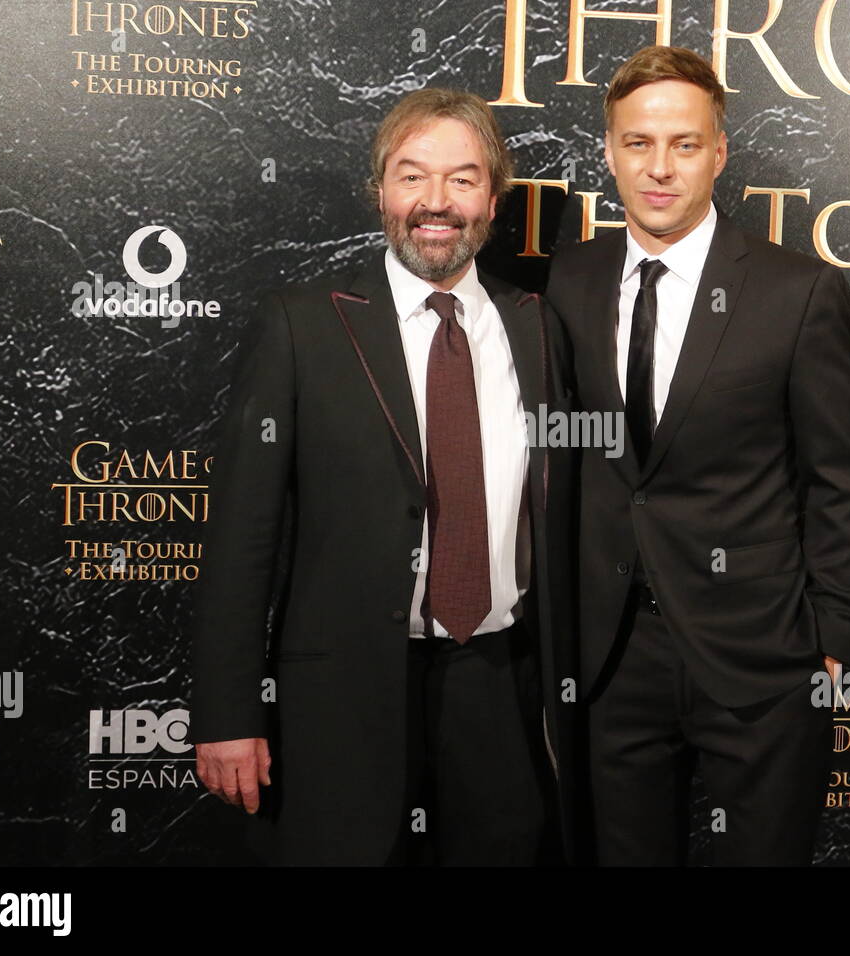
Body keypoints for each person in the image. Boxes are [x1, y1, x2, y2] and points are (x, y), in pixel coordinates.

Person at [188, 87, 576, 866]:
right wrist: (227, 712)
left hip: (501, 689)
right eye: (412, 176)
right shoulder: (302, 324)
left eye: (463, 179)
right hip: (342, 697)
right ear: (381, 194)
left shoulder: (535, 325)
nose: (437, 202)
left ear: (492, 200)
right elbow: (241, 536)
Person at [545, 46, 850, 866]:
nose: (659, 169)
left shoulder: (795, 291)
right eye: (638, 144)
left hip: (761, 655)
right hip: (610, 655)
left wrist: (829, 638)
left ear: (719, 153)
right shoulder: (568, 280)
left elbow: (839, 476)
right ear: (609, 151)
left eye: (684, 144)